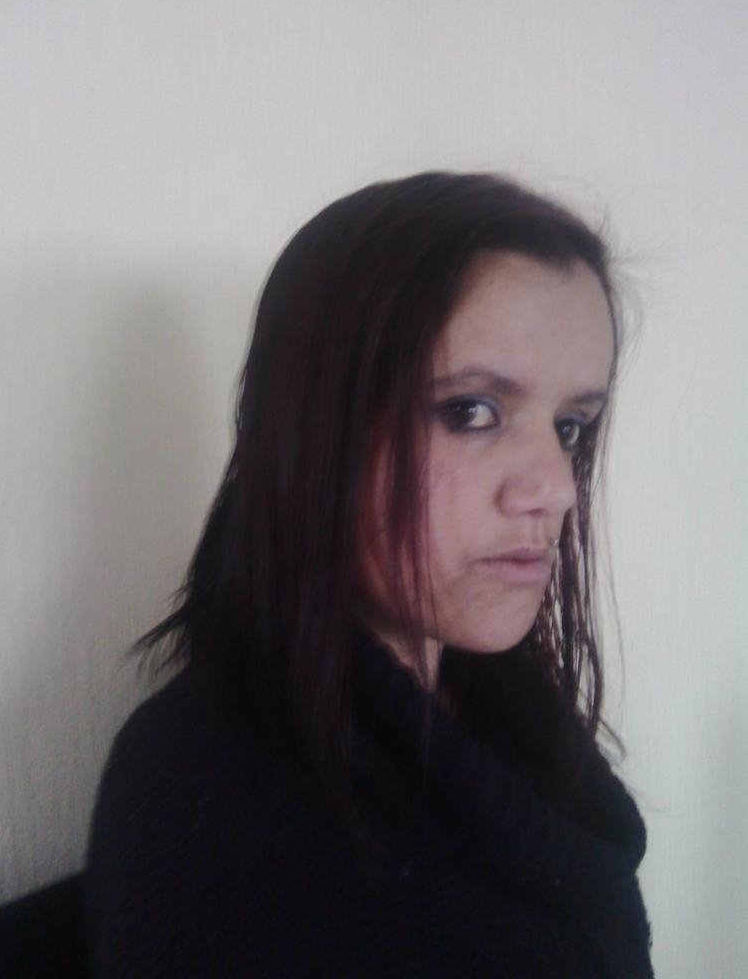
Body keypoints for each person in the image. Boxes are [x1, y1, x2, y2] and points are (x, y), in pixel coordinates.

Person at [86, 172, 654, 977]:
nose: (555, 489)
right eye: (470, 411)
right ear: (312, 428)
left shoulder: (506, 714)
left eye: (569, 425)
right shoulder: (205, 806)